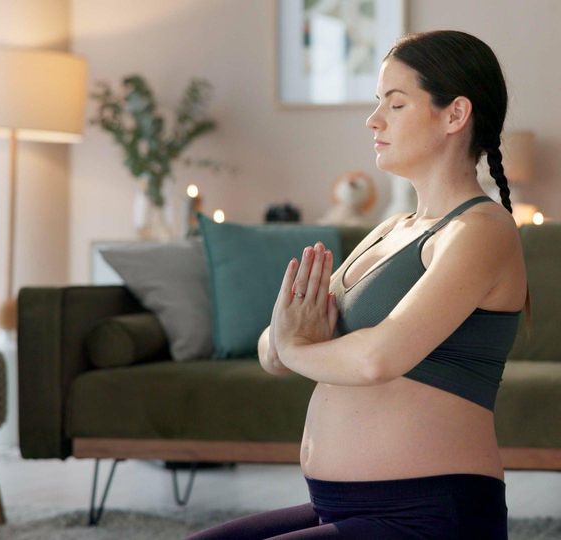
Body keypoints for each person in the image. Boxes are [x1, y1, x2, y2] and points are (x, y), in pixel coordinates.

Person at [187, 29, 531, 540]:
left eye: (395, 104)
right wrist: (291, 343)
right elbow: (273, 348)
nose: (374, 120)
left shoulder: (481, 231)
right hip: (339, 507)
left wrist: (294, 345)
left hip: (430, 515)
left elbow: (375, 358)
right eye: (378, 103)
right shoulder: (391, 231)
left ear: (455, 115)